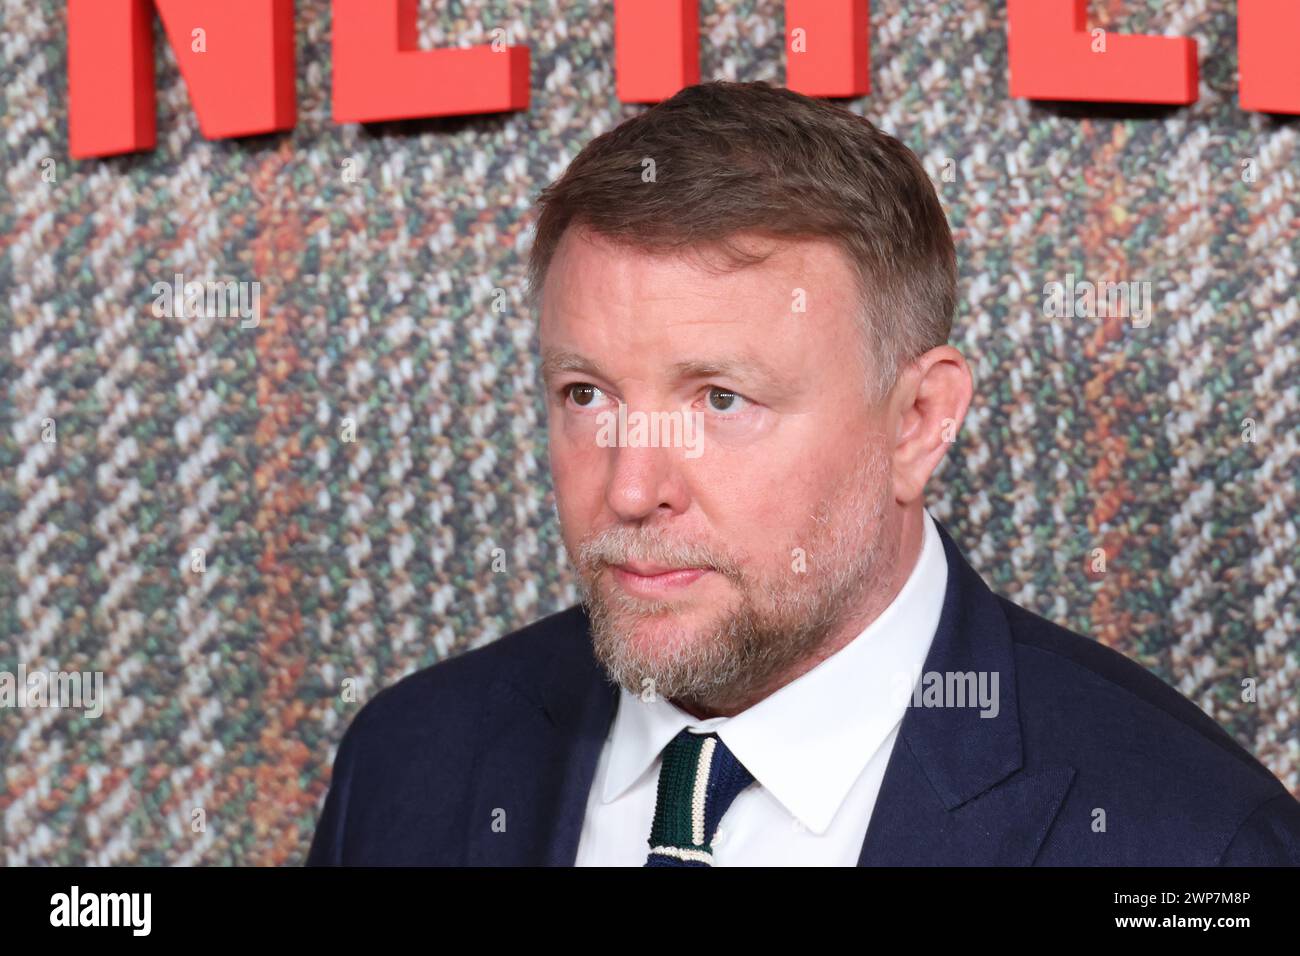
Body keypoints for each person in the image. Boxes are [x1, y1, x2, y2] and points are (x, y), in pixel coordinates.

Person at [306, 80, 1300, 866]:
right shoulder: (406, 762)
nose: (630, 488)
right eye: (587, 394)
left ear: (919, 421)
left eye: (720, 400)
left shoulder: (1191, 839)